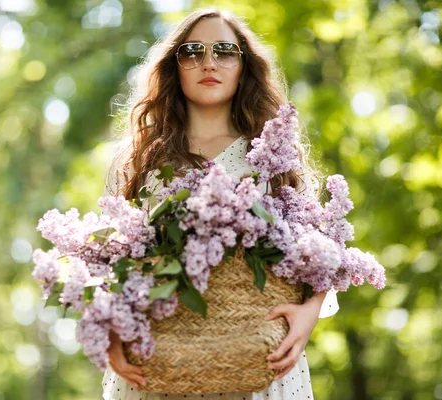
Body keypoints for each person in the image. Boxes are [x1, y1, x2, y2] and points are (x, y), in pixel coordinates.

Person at [100, 7, 339, 399]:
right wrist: (111, 332)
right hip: (158, 364)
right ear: (174, 66)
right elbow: (113, 261)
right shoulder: (143, 161)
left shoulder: (273, 156)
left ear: (244, 66)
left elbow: (322, 250)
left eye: (225, 50)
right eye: (192, 51)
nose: (208, 62)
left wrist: (308, 313)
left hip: (258, 362)